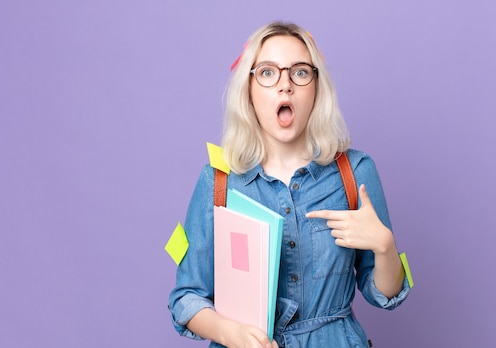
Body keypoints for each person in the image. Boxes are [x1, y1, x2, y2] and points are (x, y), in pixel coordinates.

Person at [169, 21, 410, 348]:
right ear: (249, 89)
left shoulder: (355, 172)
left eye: (299, 72)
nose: (285, 85)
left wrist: (384, 246)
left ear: (316, 87)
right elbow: (186, 297)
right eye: (268, 73)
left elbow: (386, 293)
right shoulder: (218, 181)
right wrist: (231, 334)